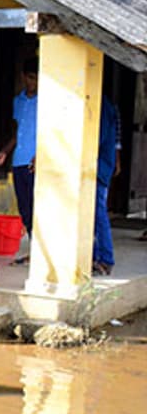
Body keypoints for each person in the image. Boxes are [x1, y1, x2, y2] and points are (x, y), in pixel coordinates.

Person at [0, 57, 39, 265]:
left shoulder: (48, 100)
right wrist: (4, 151)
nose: (33, 83)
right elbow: (17, 132)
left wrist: (42, 155)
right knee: (25, 208)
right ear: (23, 77)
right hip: (19, 160)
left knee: (40, 208)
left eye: (37, 79)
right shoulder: (18, 101)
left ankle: (41, 254)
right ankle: (34, 251)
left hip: (37, 163)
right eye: (30, 78)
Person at [93, 92, 122, 276]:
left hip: (98, 167)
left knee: (98, 213)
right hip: (99, 166)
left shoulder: (101, 105)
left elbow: (97, 139)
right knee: (93, 214)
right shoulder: (106, 104)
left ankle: (105, 259)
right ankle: (97, 257)